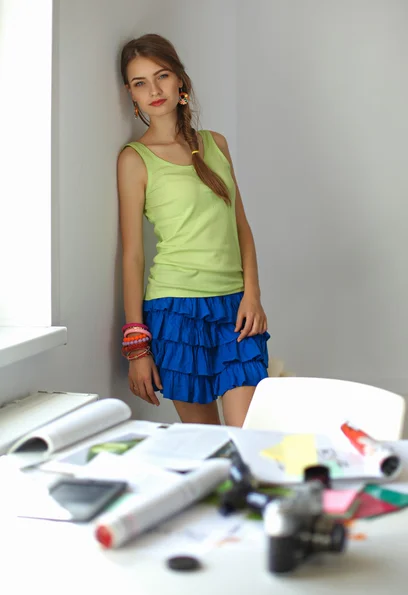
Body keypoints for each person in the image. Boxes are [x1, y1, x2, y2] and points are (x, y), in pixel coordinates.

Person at [117, 33, 269, 427]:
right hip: (176, 311)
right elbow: (133, 254)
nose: (153, 90)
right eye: (140, 83)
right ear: (130, 95)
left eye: (162, 75)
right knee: (208, 445)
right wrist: (137, 347)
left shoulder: (215, 144)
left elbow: (242, 227)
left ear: (180, 80)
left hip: (235, 311)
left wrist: (251, 294)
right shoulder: (135, 160)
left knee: (245, 438)